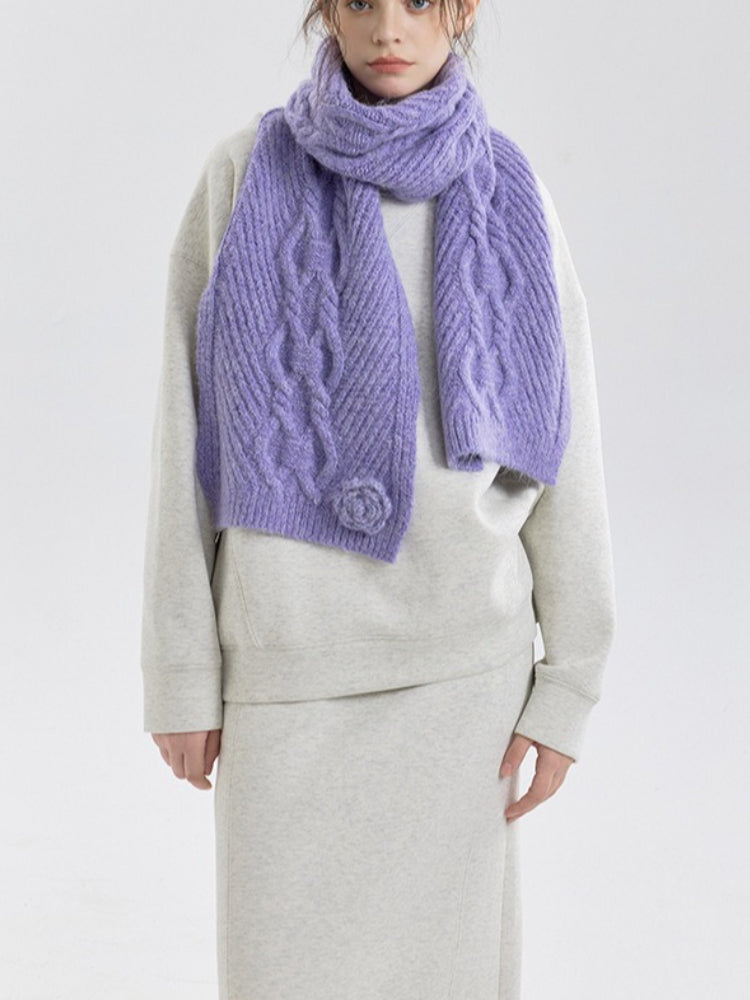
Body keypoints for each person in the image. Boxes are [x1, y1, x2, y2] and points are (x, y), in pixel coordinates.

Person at [140, 1, 617, 997]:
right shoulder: (240, 176)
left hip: (463, 681)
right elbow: (184, 437)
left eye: (418, 1)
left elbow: (565, 450)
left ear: (464, 10)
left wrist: (571, 681)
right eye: (361, 1)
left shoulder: (511, 188)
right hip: (288, 673)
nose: (389, 29)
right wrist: (180, 673)